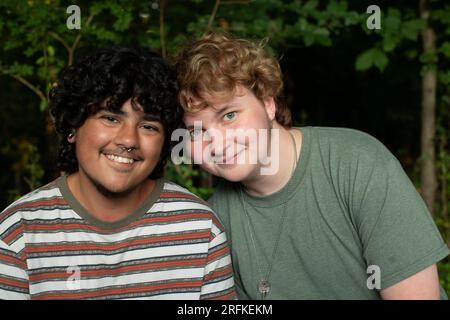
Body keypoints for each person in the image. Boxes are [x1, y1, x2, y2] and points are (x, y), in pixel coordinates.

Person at [174, 32, 450, 299]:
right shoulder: (214, 221)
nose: (218, 144)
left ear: (268, 103)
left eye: (229, 115)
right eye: (196, 131)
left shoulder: (358, 164)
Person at [0, 46, 235, 300]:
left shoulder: (200, 229)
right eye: (111, 118)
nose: (128, 140)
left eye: (148, 125)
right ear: (72, 127)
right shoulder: (17, 234)